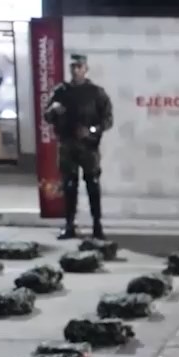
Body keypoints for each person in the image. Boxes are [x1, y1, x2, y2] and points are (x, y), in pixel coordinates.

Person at [44, 54, 114, 240]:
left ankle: (97, 225)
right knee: (69, 186)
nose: (76, 70)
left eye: (79, 67)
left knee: (93, 185)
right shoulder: (61, 91)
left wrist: (91, 130)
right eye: (73, 67)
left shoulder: (96, 93)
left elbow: (108, 120)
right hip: (67, 145)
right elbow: (47, 116)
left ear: (86, 69)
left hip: (89, 147)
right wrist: (53, 110)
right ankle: (69, 225)